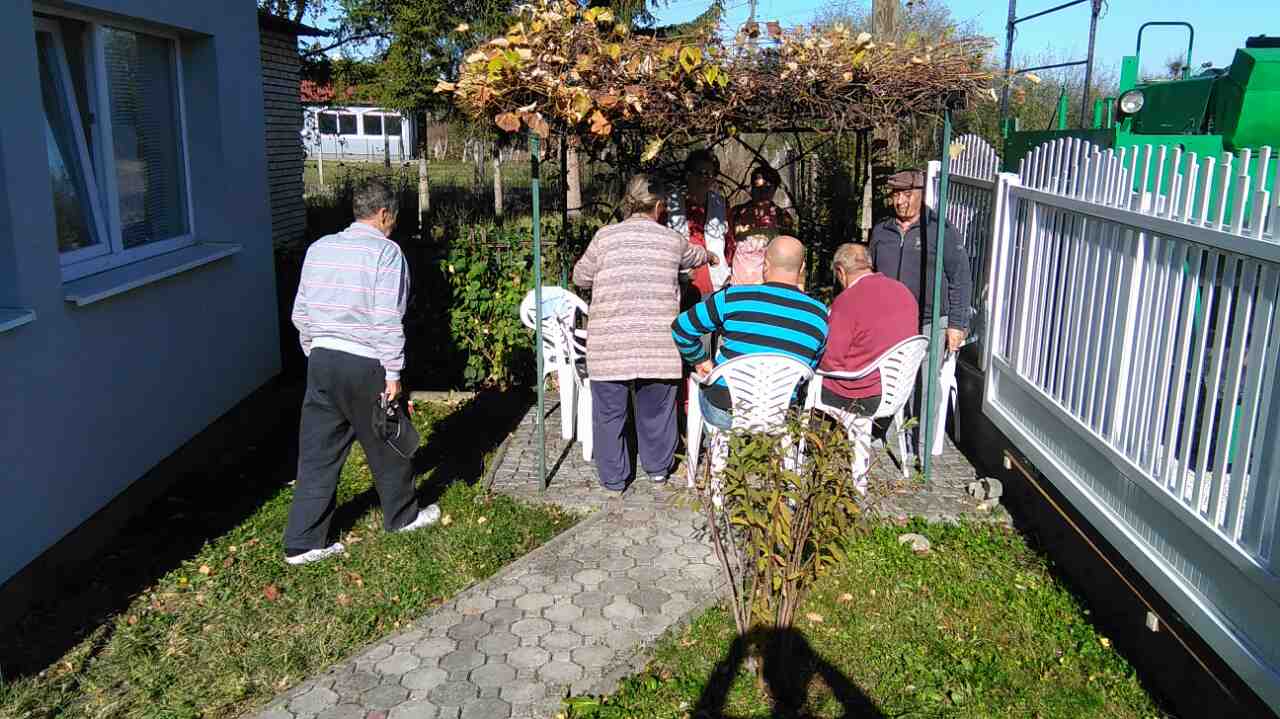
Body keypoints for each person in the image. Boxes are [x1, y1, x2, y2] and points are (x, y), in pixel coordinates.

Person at [284, 179, 439, 565]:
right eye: (394, 218)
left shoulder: (319, 249)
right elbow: (387, 318)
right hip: (365, 361)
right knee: (387, 441)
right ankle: (403, 517)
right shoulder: (386, 254)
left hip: (321, 359)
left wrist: (316, 352)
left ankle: (303, 542)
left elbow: (299, 312)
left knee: (318, 452)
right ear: (384, 214)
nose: (394, 225)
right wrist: (393, 372)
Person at [573, 174, 718, 491]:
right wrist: (710, 256)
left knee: (609, 414)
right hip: (657, 344)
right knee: (658, 409)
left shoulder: (605, 237)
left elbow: (581, 277)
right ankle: (657, 468)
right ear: (660, 206)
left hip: (610, 345)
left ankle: (614, 479)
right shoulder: (671, 240)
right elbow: (695, 256)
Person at [671, 236, 828, 430]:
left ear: (765, 263)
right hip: (780, 414)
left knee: (709, 396)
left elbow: (681, 328)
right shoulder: (819, 315)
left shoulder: (734, 297)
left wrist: (700, 360)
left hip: (725, 409)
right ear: (803, 267)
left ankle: (718, 453)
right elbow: (809, 368)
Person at [868, 169, 973, 456]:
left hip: (930, 320)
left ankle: (922, 447)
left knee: (926, 386)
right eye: (896, 195)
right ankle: (885, 432)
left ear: (922, 195)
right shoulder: (882, 231)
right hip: (889, 321)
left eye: (907, 195)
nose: (900, 202)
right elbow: (870, 273)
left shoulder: (941, 231)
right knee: (887, 378)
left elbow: (960, 277)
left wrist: (957, 324)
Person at [819, 243, 919, 415]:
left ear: (841, 272)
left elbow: (831, 360)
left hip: (858, 394)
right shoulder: (904, 292)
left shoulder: (847, 300)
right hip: (897, 392)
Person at [667, 149, 734, 304]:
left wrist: (728, 271)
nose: (705, 179)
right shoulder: (671, 204)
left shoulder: (721, 204)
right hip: (679, 286)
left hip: (715, 286)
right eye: (700, 173)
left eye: (710, 174)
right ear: (688, 175)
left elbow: (729, 243)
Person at [729, 164, 795, 286]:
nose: (762, 193)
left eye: (767, 188)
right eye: (758, 188)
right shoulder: (736, 213)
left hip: (769, 288)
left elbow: (790, 255)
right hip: (738, 287)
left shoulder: (783, 218)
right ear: (751, 188)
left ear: (775, 189)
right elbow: (727, 249)